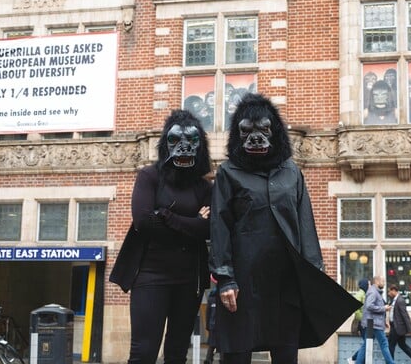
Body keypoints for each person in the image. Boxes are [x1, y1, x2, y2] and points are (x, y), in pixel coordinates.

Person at [209, 93, 360, 364]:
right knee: (237, 355)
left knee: (286, 355)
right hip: (244, 282)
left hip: (285, 282)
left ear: (274, 131)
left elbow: (305, 223)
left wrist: (314, 272)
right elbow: (220, 227)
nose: (255, 137)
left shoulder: (291, 172)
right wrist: (225, 278)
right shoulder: (228, 173)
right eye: (247, 132)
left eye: (263, 130)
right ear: (238, 135)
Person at [109, 110, 213, 364]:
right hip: (150, 275)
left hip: (190, 280)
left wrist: (168, 216)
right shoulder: (149, 176)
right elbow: (143, 223)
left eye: (191, 140)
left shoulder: (205, 186)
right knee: (144, 352)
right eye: (176, 140)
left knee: (177, 353)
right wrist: (194, 223)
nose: (184, 147)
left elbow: (210, 229)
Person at [354, 275, 395, 364]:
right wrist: (384, 308)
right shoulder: (373, 292)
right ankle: (391, 363)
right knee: (384, 343)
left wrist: (384, 321)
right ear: (377, 282)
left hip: (373, 323)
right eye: (383, 281)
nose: (384, 283)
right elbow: (369, 306)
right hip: (374, 324)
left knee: (365, 345)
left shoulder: (375, 292)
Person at [387, 285, 411, 364]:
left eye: (389, 291)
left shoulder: (400, 300)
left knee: (390, 346)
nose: (388, 293)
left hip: (397, 328)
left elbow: (405, 315)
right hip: (395, 327)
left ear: (394, 290)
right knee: (403, 345)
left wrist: (410, 329)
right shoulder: (393, 300)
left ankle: (390, 362)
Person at [350, 278, 369, 362]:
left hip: (365, 323)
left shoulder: (364, 294)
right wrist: (363, 318)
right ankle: (354, 358)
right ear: (364, 285)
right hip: (362, 323)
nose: (368, 286)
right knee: (367, 343)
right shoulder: (359, 294)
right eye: (367, 284)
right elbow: (356, 309)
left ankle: (356, 359)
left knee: (367, 343)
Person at [204, 276, 220, 364]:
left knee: (219, 346)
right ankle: (208, 361)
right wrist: (208, 326)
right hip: (213, 326)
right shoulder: (212, 297)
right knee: (212, 346)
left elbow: (208, 314)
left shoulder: (213, 297)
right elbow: (208, 314)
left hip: (219, 326)